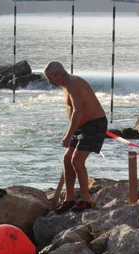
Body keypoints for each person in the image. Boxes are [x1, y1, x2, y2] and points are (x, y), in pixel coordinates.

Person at [43, 61, 107, 212]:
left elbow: (78, 111)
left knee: (77, 161)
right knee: (67, 159)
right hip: (81, 126)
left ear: (59, 74)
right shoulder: (66, 85)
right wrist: (72, 131)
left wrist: (68, 135)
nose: (49, 82)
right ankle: (69, 199)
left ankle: (86, 199)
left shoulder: (73, 84)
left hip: (94, 124)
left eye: (50, 78)